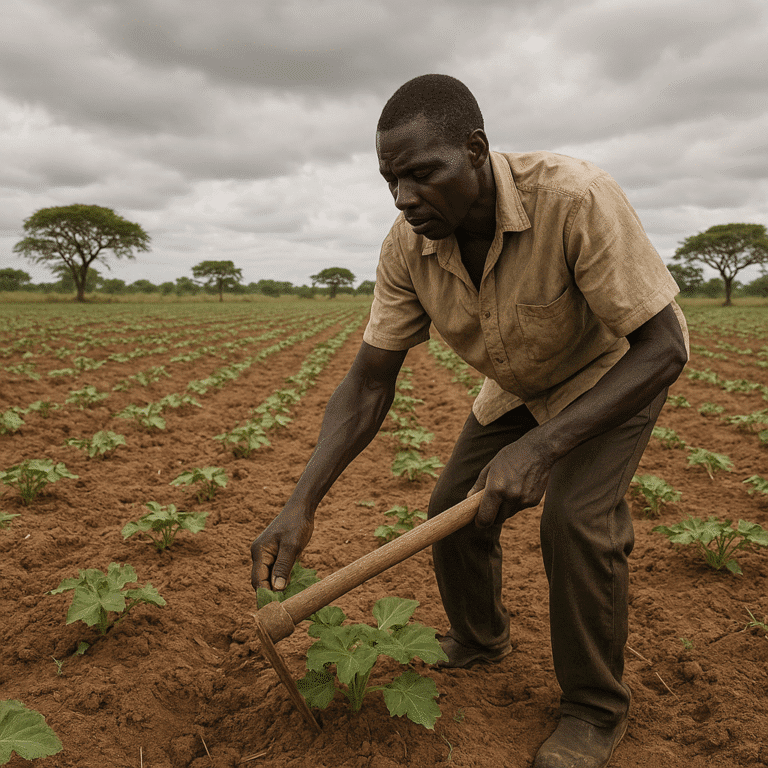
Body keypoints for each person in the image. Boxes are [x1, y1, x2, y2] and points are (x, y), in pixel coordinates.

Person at [251, 74, 688, 768]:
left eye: (424, 174)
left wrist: (545, 447)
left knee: (575, 520)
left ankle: (594, 709)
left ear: (476, 151)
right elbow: (369, 382)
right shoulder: (407, 246)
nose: (405, 197)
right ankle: (481, 639)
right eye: (391, 180)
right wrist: (301, 502)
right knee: (451, 504)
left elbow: (665, 348)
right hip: (519, 382)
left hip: (615, 371)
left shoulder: (573, 197)